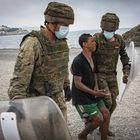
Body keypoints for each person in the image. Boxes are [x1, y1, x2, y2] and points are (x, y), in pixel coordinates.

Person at [8, 1, 74, 120]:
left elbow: (62, 67)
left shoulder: (62, 42)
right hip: (36, 104)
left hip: (58, 101)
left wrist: (66, 85)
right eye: (63, 25)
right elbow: (19, 80)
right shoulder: (32, 43)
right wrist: (17, 106)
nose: (66, 29)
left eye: (68, 26)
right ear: (50, 23)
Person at [93, 13, 131, 136]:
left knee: (113, 102)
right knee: (107, 100)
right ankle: (96, 123)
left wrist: (126, 73)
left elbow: (125, 57)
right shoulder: (96, 38)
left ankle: (103, 125)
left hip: (112, 75)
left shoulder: (119, 40)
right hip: (99, 75)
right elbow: (88, 57)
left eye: (111, 30)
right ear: (102, 27)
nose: (108, 32)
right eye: (106, 30)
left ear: (115, 28)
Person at [71, 33, 110, 140]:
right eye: (92, 41)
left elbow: (94, 73)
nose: (95, 43)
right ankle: (82, 135)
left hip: (93, 93)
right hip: (81, 97)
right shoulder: (78, 61)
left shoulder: (93, 57)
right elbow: (77, 83)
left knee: (106, 114)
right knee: (98, 119)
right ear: (84, 44)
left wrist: (96, 87)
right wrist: (95, 93)